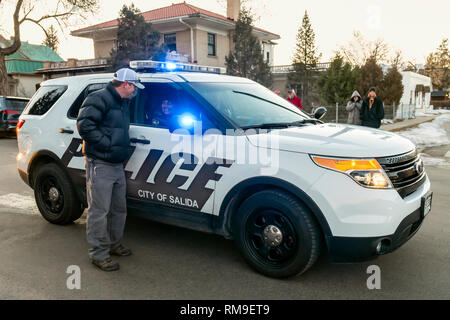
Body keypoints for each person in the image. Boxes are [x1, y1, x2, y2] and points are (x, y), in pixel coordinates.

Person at [76, 68, 144, 271]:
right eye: (133, 87)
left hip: (116, 164)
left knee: (118, 209)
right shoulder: (99, 98)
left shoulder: (122, 102)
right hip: (100, 163)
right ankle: (99, 254)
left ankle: (114, 244)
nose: (134, 92)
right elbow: (85, 125)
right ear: (126, 85)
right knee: (99, 210)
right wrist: (107, 144)